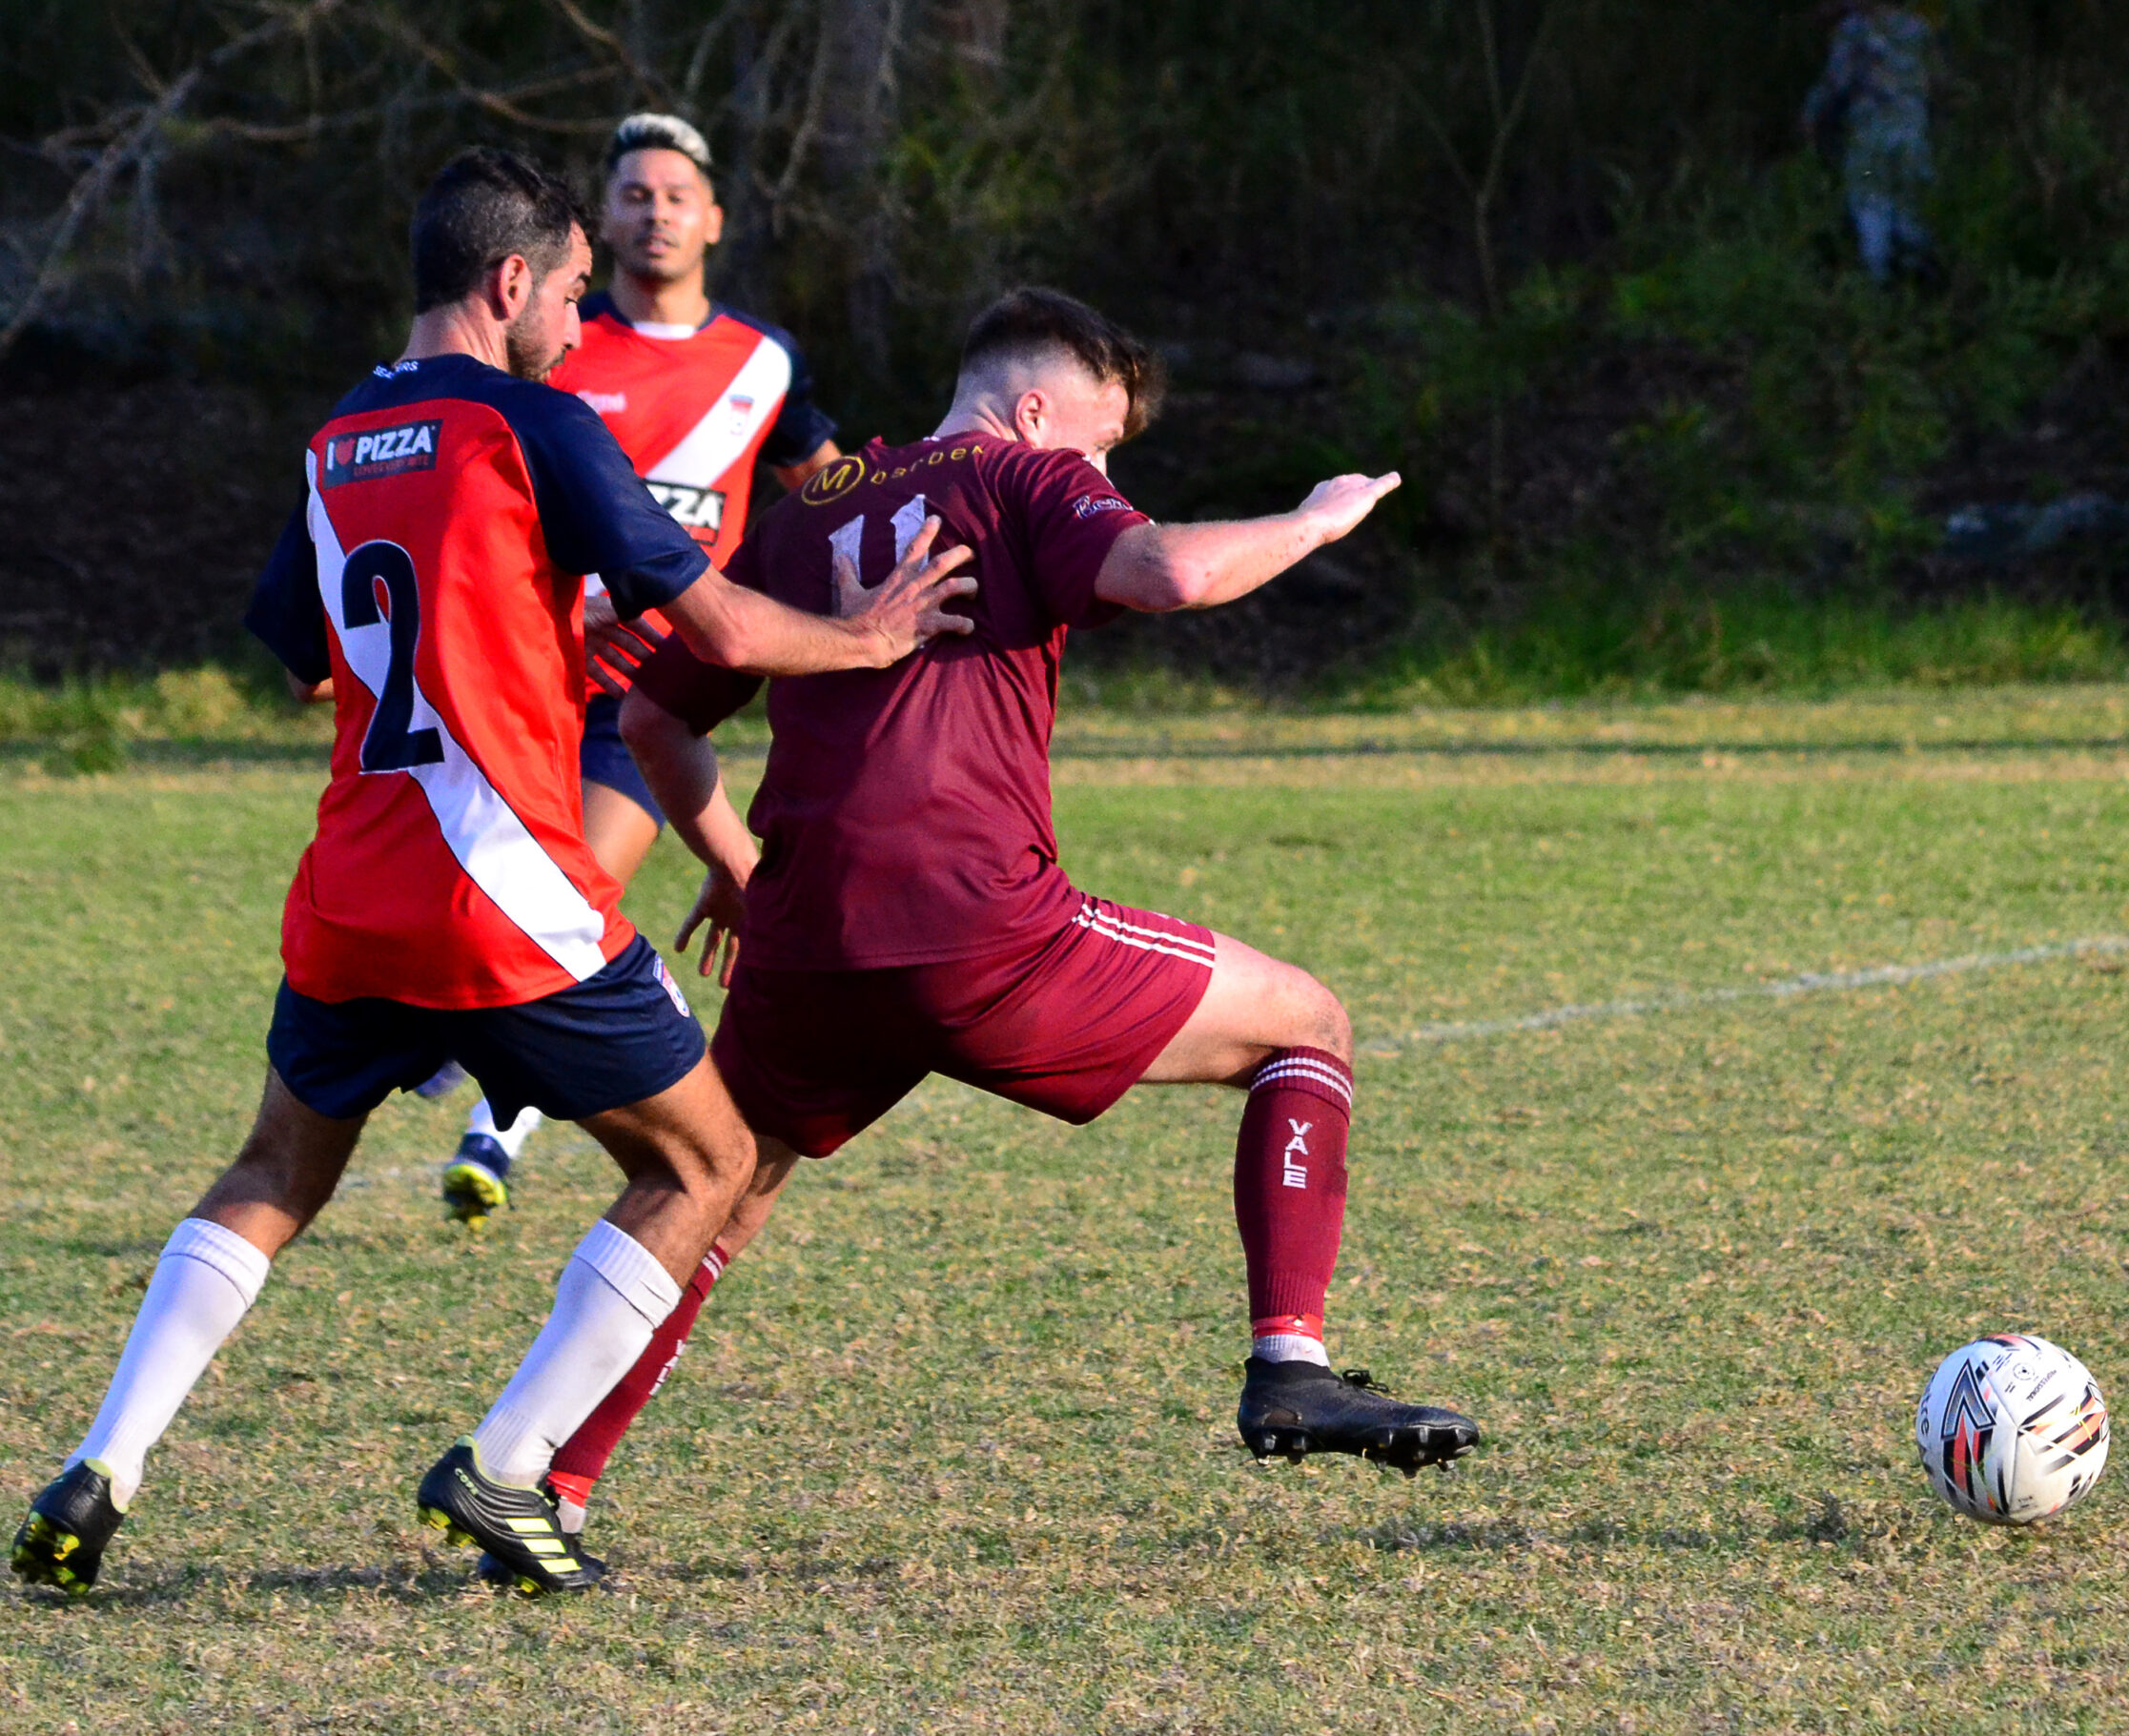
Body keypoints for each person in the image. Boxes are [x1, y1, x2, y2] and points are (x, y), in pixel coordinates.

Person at [7, 146, 975, 1599]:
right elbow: (710, 622)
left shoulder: (336, 439)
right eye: (573, 291)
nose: (583, 324)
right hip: (506, 890)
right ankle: (507, 1467)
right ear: (509, 281)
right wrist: (869, 637)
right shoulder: (540, 421)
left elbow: (299, 654)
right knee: (706, 1161)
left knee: (275, 1168)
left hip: (352, 890)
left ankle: (103, 1463)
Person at [530, 288, 1481, 1556]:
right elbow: (1176, 570)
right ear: (1034, 410)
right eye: (1100, 445)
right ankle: (1289, 1364)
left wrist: (740, 866)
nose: (1103, 476)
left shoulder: (807, 501)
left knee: (717, 1189)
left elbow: (652, 719)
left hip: (809, 935)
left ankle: (545, 1477)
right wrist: (1314, 522)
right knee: (1306, 1027)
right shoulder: (1026, 475)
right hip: (981, 932)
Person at [437, 112, 848, 1225]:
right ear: (594, 224)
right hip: (513, 684)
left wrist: (843, 578)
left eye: (676, 193)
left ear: (713, 219)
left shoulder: (763, 361)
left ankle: (493, 1117)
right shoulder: (547, 348)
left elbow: (829, 485)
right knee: (502, 897)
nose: (655, 210)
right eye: (633, 192)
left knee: (578, 888)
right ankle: (466, 1038)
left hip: (647, 696)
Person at [1803, 3, 1937, 283]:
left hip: (1871, 134)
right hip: (1914, 134)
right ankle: (1919, 287)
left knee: (1870, 206)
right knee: (1910, 209)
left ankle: (1877, 288)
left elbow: (1836, 82)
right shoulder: (1917, 28)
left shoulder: (1854, 30)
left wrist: (1811, 116)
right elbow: (1935, 82)